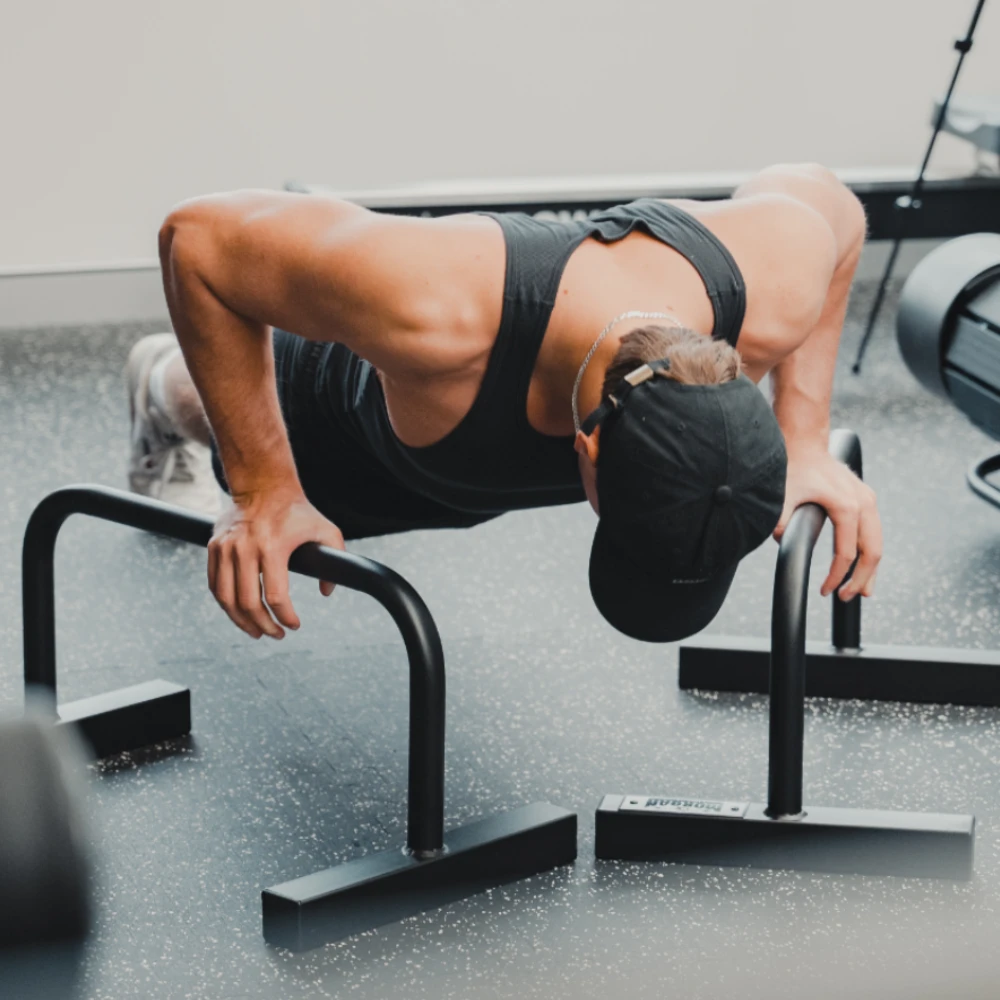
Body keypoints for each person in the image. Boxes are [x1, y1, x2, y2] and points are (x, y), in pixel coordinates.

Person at [128, 162, 881, 643]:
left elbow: (835, 207)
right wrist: (261, 487)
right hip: (347, 433)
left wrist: (805, 436)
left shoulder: (774, 297)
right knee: (201, 401)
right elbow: (195, 239)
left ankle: (317, 232)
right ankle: (155, 383)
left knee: (350, 262)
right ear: (582, 450)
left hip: (461, 438)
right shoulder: (436, 314)